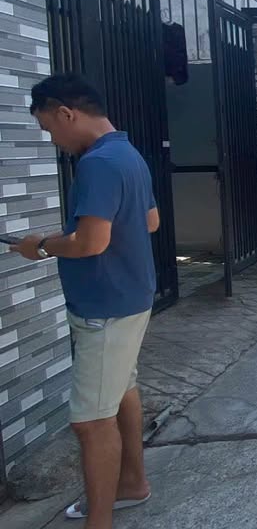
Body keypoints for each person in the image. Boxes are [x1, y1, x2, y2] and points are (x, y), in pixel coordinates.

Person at [15, 74, 158, 529]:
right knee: (121, 393)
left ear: (66, 113)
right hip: (130, 297)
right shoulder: (128, 154)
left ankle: (99, 521)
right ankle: (131, 483)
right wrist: (63, 238)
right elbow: (149, 222)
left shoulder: (97, 164)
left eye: (49, 128)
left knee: (90, 422)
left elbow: (92, 242)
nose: (53, 140)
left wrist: (41, 246)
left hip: (105, 309)